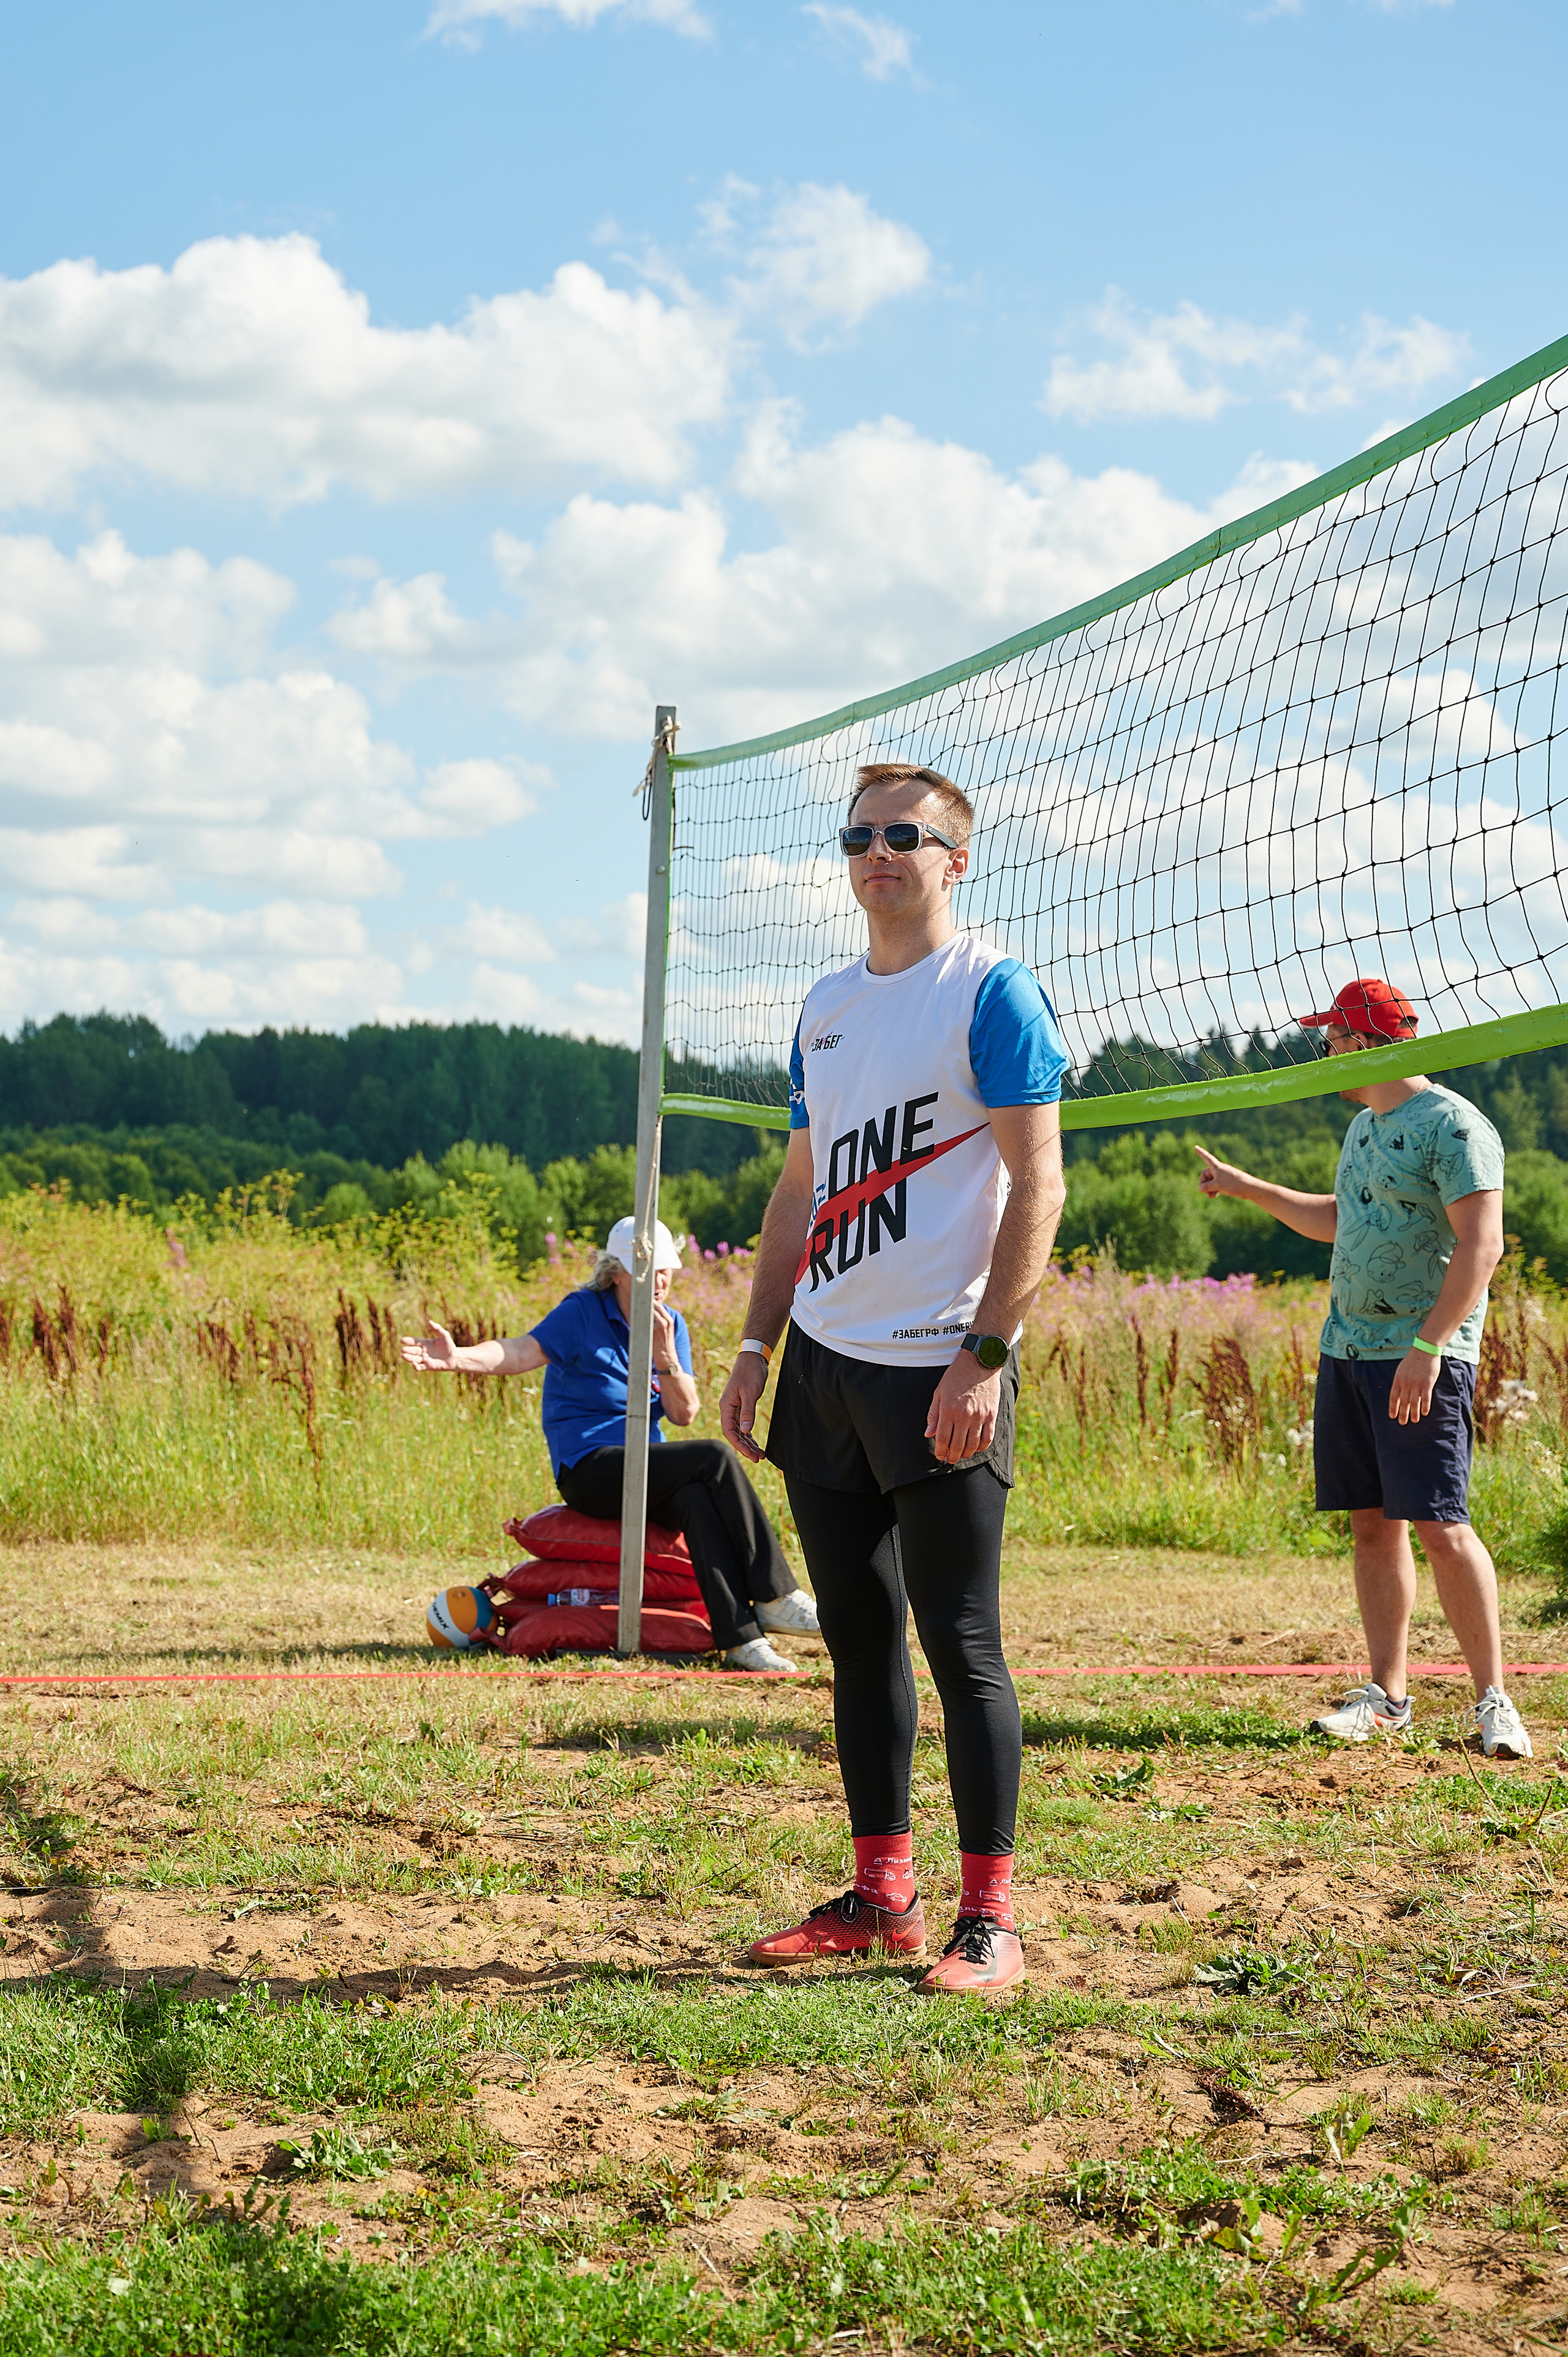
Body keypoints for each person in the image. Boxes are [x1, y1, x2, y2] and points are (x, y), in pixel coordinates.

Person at [718, 760, 1068, 1996]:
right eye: (860, 835)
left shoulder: (990, 991)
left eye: (905, 837)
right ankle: (882, 1897)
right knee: (858, 1646)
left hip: (938, 1369)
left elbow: (1040, 1186)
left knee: (960, 1641)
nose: (879, 853)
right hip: (823, 1365)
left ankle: (991, 1920)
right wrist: (758, 1344)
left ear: (952, 859)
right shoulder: (823, 1004)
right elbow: (800, 1187)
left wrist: (985, 1352)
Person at [1194, 975, 1530, 1759]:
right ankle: (1388, 1697)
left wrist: (1428, 1347)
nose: (1323, 1055)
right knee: (1372, 1525)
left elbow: (1483, 1246)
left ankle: (1494, 1701)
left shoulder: (1453, 1123)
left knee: (1442, 1525)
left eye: (1330, 1041)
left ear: (1364, 1043)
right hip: (1348, 1349)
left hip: (1420, 1357)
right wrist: (1248, 1188)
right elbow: (1344, 1219)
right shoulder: (1364, 1130)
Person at [401, 1214, 818, 1671]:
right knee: (716, 1455)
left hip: (645, 1463)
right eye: (649, 1270)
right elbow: (521, 1351)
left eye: (666, 1270)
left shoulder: (670, 1324)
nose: (660, 1280)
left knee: (698, 1496)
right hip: (590, 1468)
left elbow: (685, 1413)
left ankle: (740, 1640)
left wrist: (665, 1356)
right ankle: (778, 1595)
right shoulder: (582, 1311)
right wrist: (459, 1356)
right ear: (618, 1272)